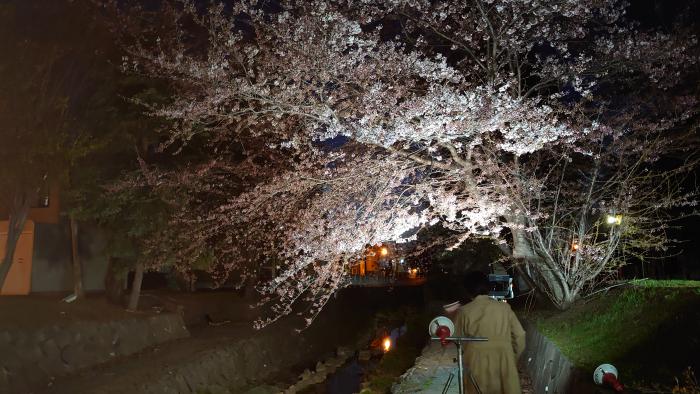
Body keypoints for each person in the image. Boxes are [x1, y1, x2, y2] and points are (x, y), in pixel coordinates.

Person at [454, 271, 526, 394]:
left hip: (476, 360)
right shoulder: (504, 308)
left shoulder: (464, 311)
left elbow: (458, 339)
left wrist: (469, 354)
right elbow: (520, 336)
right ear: (488, 287)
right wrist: (511, 357)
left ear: (468, 290)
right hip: (504, 358)